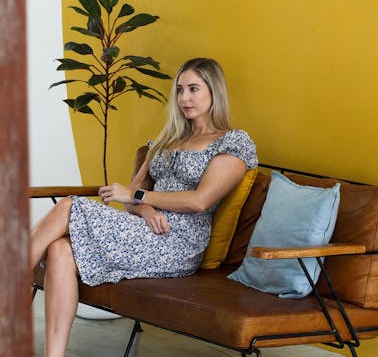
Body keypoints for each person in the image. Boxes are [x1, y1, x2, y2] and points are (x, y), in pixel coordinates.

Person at [31, 57, 258, 357]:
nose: (184, 98)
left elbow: (199, 200)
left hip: (178, 241)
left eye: (193, 89)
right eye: (180, 90)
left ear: (214, 91)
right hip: (145, 229)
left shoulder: (232, 142)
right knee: (60, 250)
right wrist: (145, 208)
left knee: (71, 206)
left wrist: (141, 199)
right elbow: (133, 197)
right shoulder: (167, 140)